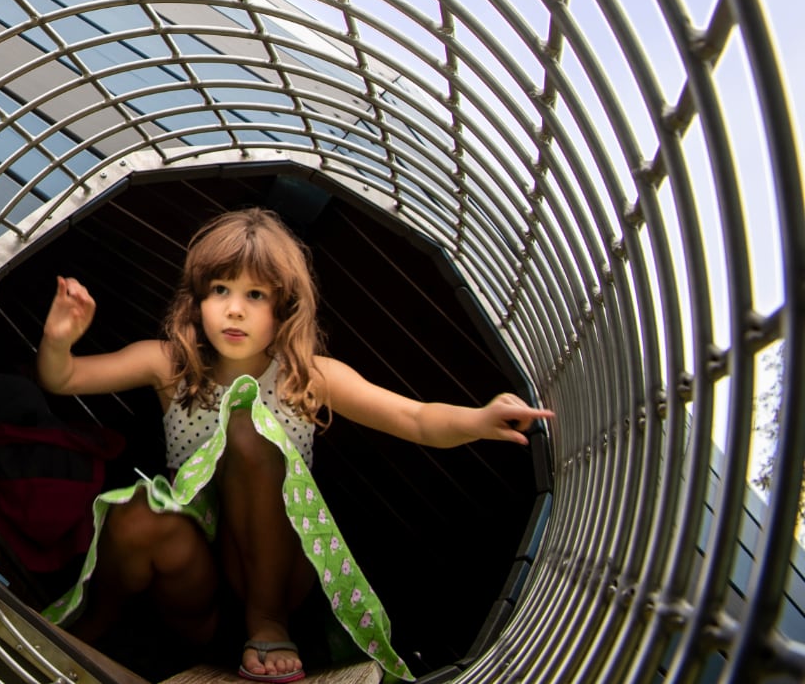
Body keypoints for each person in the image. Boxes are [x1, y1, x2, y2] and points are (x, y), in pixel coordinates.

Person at [36, 207, 552, 683]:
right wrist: (60, 340)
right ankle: (95, 621)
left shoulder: (307, 378)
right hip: (193, 577)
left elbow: (415, 418)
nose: (234, 310)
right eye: (220, 290)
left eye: (255, 295)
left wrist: (480, 419)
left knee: (246, 426)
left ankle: (266, 619)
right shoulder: (169, 364)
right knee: (137, 511)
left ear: (283, 309)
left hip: (274, 569)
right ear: (198, 301)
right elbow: (64, 380)